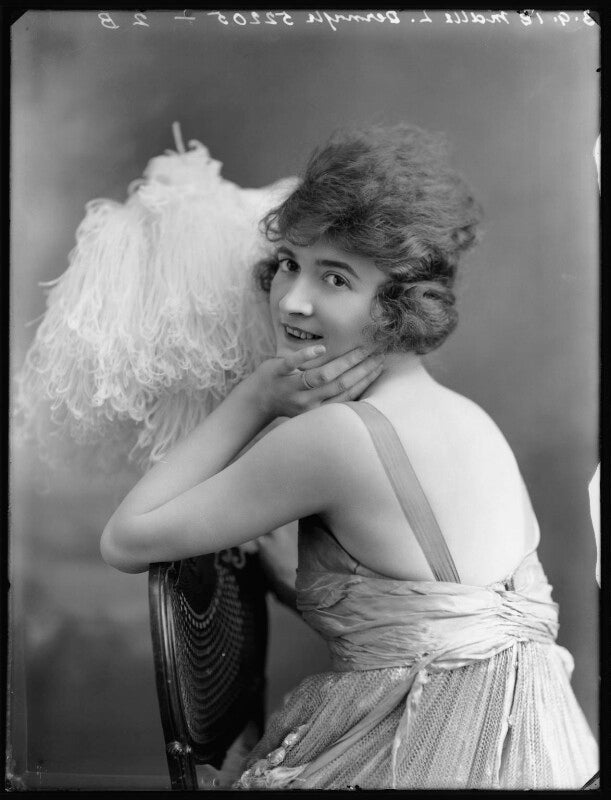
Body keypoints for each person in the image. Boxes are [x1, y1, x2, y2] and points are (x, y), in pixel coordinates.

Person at [101, 124, 598, 789]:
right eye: (288, 263)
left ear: (398, 306)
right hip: (547, 753)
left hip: (432, 758)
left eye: (335, 277)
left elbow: (124, 541)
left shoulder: (337, 436)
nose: (292, 299)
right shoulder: (470, 420)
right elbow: (420, 617)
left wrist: (255, 398)